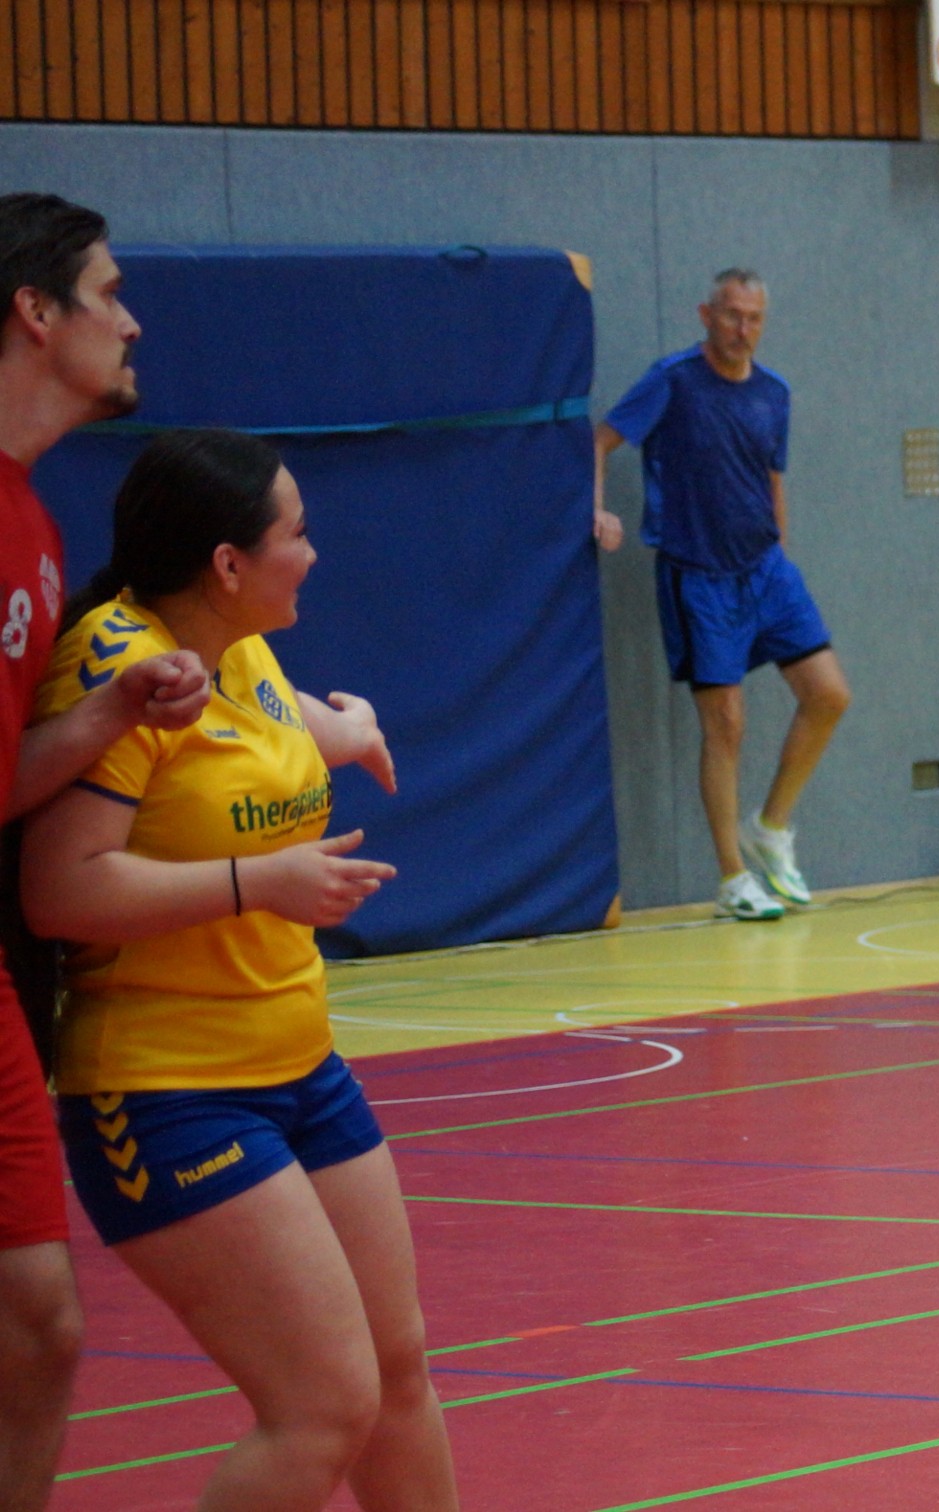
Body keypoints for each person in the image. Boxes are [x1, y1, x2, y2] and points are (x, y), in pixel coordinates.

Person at [21, 430, 458, 1509]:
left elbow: (281, 723)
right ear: (227, 563)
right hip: (168, 1090)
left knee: (397, 1367)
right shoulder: (127, 668)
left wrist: (352, 730)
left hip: (300, 1064)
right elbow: (59, 889)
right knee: (324, 1406)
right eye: (295, 533)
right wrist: (259, 882)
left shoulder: (240, 647)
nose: (313, 553)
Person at [0, 191, 211, 1512]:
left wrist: (108, 714)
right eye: (109, 293)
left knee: (38, 1322)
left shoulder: (32, 525)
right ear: (35, 312)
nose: (131, 322)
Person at [595, 268, 851, 922]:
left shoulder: (774, 393)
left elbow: (771, 479)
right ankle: (733, 878)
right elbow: (600, 440)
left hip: (766, 570)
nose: (743, 329)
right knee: (726, 724)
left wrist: (781, 553)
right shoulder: (673, 380)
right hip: (698, 576)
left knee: (828, 695)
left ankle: (771, 827)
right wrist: (596, 510)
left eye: (754, 318)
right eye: (732, 315)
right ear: (706, 314)